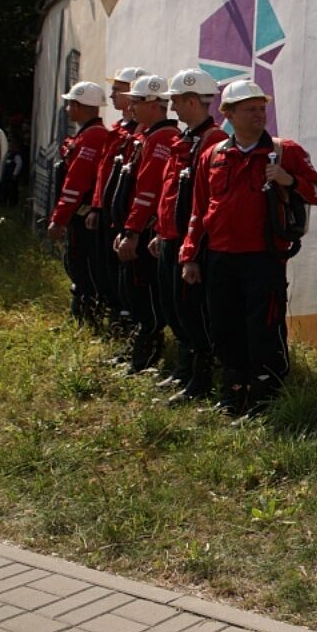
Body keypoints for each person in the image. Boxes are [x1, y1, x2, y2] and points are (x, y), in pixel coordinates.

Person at [181, 78, 317, 416]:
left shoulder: (284, 151)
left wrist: (290, 180)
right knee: (225, 327)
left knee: (263, 328)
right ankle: (233, 394)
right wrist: (190, 255)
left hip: (264, 258)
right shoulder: (213, 155)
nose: (259, 114)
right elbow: (199, 210)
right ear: (229, 114)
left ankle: (266, 396)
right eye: (250, 109)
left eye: (262, 108)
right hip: (220, 258)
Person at [151, 69, 227, 401]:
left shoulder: (212, 140)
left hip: (190, 241)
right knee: (173, 307)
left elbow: (203, 200)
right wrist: (160, 231)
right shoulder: (187, 138)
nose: (172, 107)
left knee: (191, 311)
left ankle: (201, 379)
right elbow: (170, 191)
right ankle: (185, 370)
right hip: (171, 236)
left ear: (192, 101)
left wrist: (191, 246)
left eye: (176, 101)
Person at [115, 74, 181, 372]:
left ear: (154, 105)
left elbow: (148, 191)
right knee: (133, 289)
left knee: (145, 291)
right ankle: (139, 349)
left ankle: (147, 354)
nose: (130, 107)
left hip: (146, 230)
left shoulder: (162, 138)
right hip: (138, 227)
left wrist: (133, 231)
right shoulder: (150, 136)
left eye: (136, 102)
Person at [88, 68, 148, 342]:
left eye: (118, 89)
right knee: (107, 270)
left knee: (127, 276)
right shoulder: (119, 130)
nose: (112, 95)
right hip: (109, 211)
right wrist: (97, 206)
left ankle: (130, 329)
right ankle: (114, 321)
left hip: (127, 215)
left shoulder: (142, 133)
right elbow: (104, 174)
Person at [47, 82, 110, 326]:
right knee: (77, 264)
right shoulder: (88, 134)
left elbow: (76, 182)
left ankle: (86, 318)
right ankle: (80, 315)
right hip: (79, 215)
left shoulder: (92, 137)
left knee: (81, 264)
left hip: (81, 217)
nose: (67, 109)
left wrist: (59, 219)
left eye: (70, 104)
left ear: (80, 106)